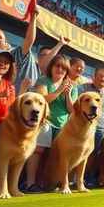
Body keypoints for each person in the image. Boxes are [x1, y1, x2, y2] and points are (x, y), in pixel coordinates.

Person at [24, 55, 77, 192]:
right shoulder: (44, 80)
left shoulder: (72, 85)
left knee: (58, 155)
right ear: (51, 67)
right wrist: (59, 91)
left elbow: (72, 110)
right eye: (57, 65)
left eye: (63, 68)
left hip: (63, 126)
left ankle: (48, 182)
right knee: (39, 151)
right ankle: (30, 183)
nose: (60, 69)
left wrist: (68, 94)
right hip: (45, 121)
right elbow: (41, 101)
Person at [81, 68, 104, 185]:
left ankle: (88, 176)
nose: (103, 79)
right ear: (94, 77)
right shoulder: (83, 88)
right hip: (84, 126)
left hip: (100, 128)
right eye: (101, 76)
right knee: (82, 151)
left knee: (96, 153)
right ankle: (76, 177)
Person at [0, 49, 17, 155]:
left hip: (3, 130)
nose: (2, 64)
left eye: (6, 63)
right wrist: (0, 94)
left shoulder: (9, 85)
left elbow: (12, 109)